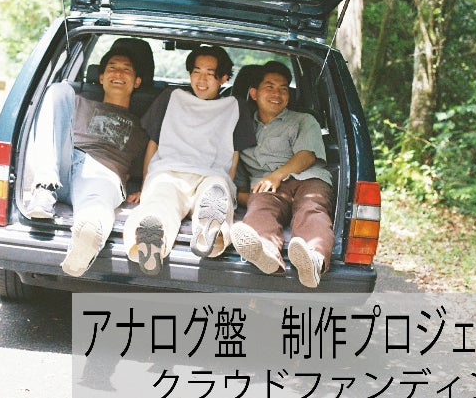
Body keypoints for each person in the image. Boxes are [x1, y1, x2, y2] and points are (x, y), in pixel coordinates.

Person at [123, 46, 256, 275]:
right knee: (159, 200)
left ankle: (210, 232)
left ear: (224, 78)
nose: (201, 80)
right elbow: (154, 143)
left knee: (215, 193)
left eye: (210, 73)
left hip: (211, 174)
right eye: (196, 72)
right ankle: (152, 238)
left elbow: (233, 154)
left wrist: (229, 188)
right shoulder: (171, 97)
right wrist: (146, 186)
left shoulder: (235, 106)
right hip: (169, 171)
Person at [25, 45, 149, 277]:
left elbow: (146, 166)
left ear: (137, 82)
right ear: (101, 77)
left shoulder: (142, 129)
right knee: (59, 90)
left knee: (96, 209)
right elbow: (50, 130)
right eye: (112, 68)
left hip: (102, 171)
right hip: (61, 165)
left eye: (126, 70)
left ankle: (87, 239)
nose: (118, 73)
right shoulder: (77, 101)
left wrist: (147, 187)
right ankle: (44, 190)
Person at [230, 61, 334, 288]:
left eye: (283, 89)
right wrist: (244, 197)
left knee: (311, 209)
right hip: (268, 188)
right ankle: (266, 253)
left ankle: (313, 260)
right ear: (254, 93)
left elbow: (307, 155)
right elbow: (236, 170)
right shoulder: (241, 127)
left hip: (308, 178)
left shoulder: (303, 120)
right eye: (270, 87)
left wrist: (277, 175)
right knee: (259, 210)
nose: (277, 94)